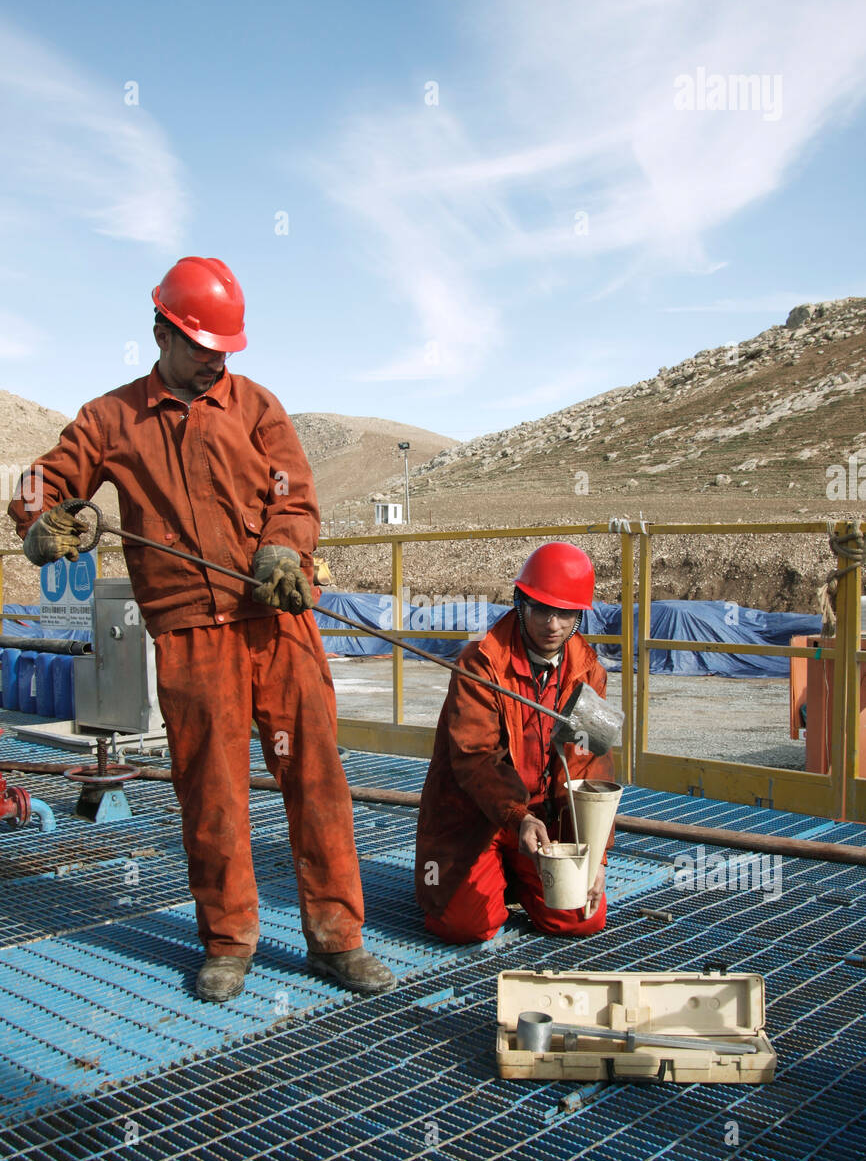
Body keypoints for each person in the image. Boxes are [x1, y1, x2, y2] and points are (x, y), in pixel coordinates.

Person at [8, 256, 395, 1002]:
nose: (217, 357)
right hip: (191, 637)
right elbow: (42, 484)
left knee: (315, 780)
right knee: (211, 793)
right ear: (162, 331)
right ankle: (228, 940)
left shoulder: (257, 408)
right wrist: (42, 520)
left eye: (226, 346)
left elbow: (297, 496)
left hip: (275, 624)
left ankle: (337, 940)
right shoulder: (109, 418)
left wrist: (284, 545)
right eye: (202, 343)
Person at [415, 542, 617, 943]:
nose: (553, 624)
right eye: (542, 609)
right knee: (463, 925)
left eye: (565, 613)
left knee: (580, 919)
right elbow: (475, 758)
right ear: (520, 603)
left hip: (543, 823)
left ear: (579, 616)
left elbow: (588, 766)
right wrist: (517, 817)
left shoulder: (587, 670)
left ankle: (509, 876)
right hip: (478, 817)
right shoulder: (481, 661)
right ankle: (493, 875)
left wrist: (596, 854)